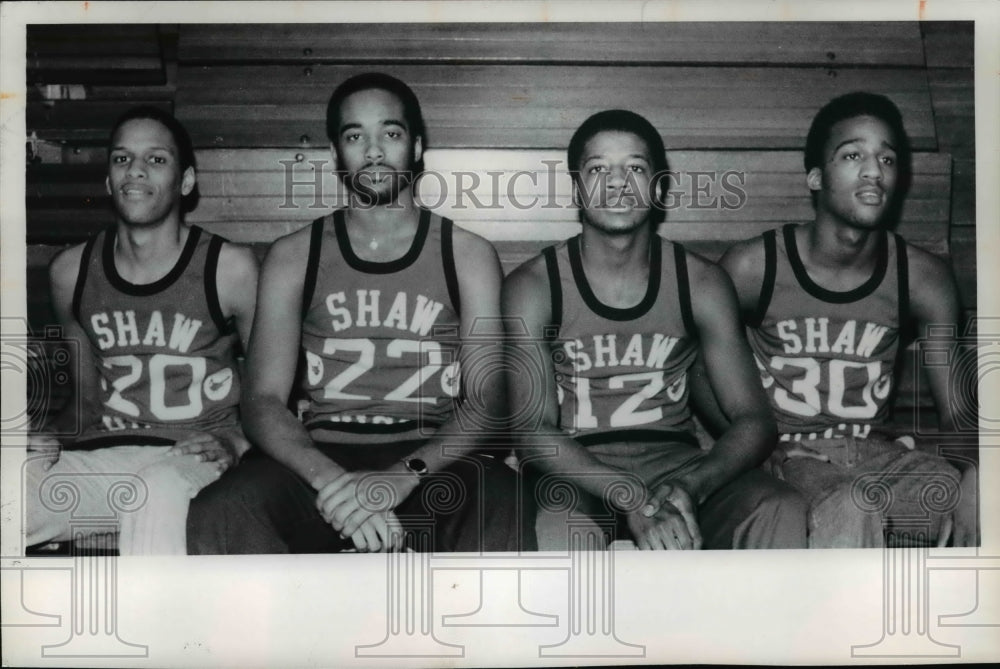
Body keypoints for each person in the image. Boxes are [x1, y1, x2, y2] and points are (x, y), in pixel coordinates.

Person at [187, 73, 525, 554]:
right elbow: (262, 399)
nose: (373, 150)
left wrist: (400, 477)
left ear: (417, 146)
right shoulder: (293, 255)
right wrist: (333, 482)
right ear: (334, 153)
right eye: (354, 135)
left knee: (504, 502)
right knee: (221, 509)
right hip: (321, 456)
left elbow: (488, 400)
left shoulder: (466, 254)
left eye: (390, 133)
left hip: (430, 460)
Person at [502, 109, 808, 550]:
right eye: (598, 169)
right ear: (576, 189)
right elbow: (532, 433)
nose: (618, 183)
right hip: (578, 471)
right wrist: (630, 496)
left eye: (636, 168)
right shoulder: (534, 285)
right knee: (559, 527)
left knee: (778, 506)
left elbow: (754, 421)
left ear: (659, 187)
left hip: (675, 467)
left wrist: (693, 486)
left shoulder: (701, 282)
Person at [717, 91, 976, 547]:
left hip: (881, 460)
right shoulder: (753, 267)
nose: (874, 170)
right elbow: (698, 367)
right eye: (853, 154)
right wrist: (753, 446)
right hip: (790, 460)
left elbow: (956, 408)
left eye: (887, 158)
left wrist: (977, 473)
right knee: (854, 507)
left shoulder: (923, 278)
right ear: (816, 177)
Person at [26, 106, 258, 555]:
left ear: (185, 181)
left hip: (191, 455)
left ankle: (157, 622)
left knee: (154, 496)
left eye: (156, 159)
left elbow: (273, 390)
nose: (135, 169)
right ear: (108, 182)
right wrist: (48, 434)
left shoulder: (229, 267)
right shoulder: (69, 271)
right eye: (121, 159)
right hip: (102, 457)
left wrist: (236, 440)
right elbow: (85, 401)